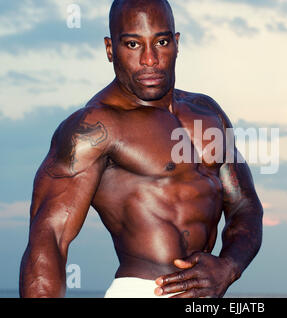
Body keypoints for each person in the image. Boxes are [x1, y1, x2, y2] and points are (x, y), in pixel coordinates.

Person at [19, 0, 263, 298]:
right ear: (111, 49)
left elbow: (244, 207)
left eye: (160, 42)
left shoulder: (206, 113)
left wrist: (228, 267)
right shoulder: (95, 127)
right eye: (133, 44)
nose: (150, 59)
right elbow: (49, 238)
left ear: (176, 43)